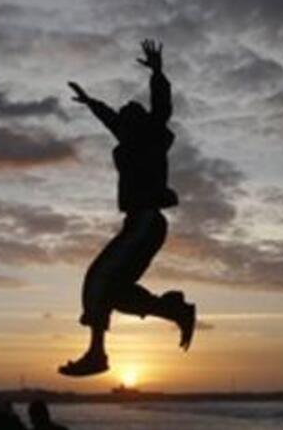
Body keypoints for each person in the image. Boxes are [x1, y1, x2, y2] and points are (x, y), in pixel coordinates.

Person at [61, 40, 196, 377]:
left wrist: (158, 73)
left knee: (99, 278)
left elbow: (162, 108)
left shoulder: (150, 135)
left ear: (141, 121)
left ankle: (97, 354)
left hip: (146, 222)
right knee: (115, 293)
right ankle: (172, 309)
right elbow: (111, 119)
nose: (123, 117)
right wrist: (91, 103)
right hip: (139, 223)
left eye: (130, 114)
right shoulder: (130, 138)